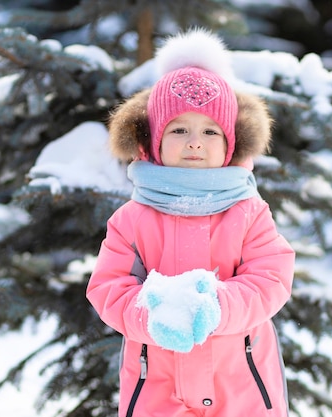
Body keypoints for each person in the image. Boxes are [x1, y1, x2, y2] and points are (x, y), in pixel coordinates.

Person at [86, 29, 295, 417]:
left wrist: (219, 306)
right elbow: (108, 287)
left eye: (210, 131)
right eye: (179, 129)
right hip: (157, 387)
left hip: (241, 385)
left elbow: (271, 279)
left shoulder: (249, 212)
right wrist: (152, 314)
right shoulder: (132, 219)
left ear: (231, 142)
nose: (194, 142)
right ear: (153, 142)